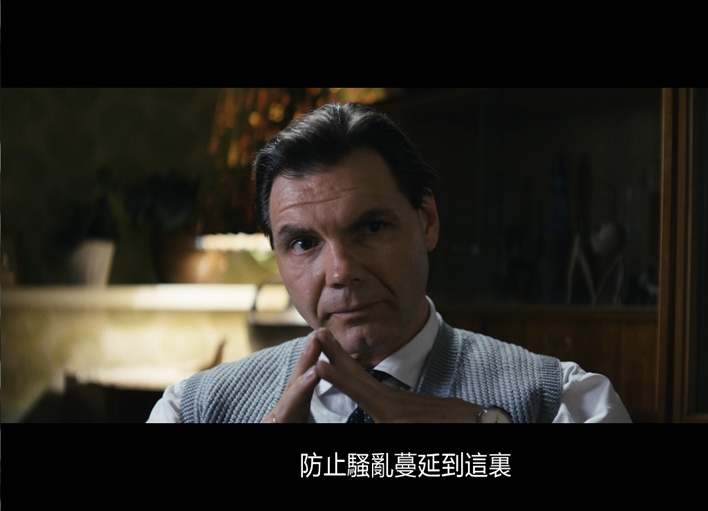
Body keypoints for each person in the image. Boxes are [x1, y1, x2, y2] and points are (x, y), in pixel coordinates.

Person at [147, 101, 632, 423]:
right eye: (303, 243)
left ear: (427, 221)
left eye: (372, 228)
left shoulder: (564, 401)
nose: (341, 272)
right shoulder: (191, 411)